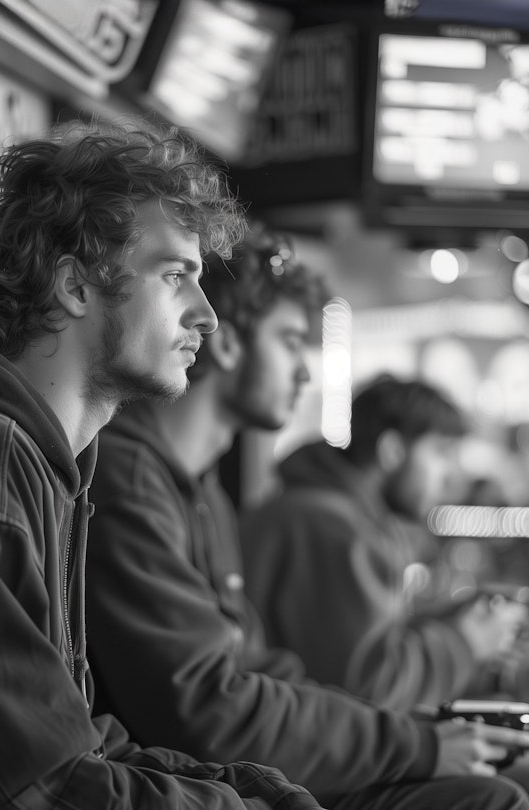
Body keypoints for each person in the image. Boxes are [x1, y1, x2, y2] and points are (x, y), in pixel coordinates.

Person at [0, 120, 324, 810]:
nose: (208, 317)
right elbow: (39, 788)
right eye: (175, 275)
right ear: (75, 287)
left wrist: (246, 790)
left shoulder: (48, 464)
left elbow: (73, 743)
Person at [85, 227, 529, 810]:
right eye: (292, 342)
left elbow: (257, 669)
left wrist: (415, 729)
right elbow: (209, 708)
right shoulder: (134, 479)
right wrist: (417, 733)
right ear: (227, 343)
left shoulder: (202, 493)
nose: (303, 373)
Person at [240, 375, 527, 713]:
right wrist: (466, 642)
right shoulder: (332, 528)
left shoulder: (334, 513)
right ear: (392, 450)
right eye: (440, 453)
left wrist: (447, 622)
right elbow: (366, 693)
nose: (450, 475)